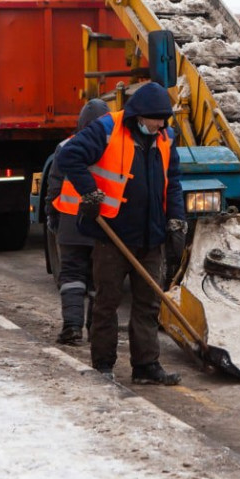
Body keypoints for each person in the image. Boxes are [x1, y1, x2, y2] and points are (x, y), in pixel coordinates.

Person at [54, 82, 186, 385]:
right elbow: (69, 156)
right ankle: (103, 364)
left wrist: (176, 219)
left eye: (164, 120)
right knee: (107, 301)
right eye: (157, 119)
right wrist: (89, 193)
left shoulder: (165, 138)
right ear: (140, 115)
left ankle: (146, 366)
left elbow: (173, 181)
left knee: (148, 304)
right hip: (113, 235)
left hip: (151, 237)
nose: (161, 125)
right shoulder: (107, 129)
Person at [47, 97, 110, 346]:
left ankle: (72, 327)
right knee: (98, 279)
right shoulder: (114, 147)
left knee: (72, 275)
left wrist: (51, 215)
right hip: (102, 224)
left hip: (71, 224)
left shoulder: (66, 146)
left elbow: (54, 187)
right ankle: (95, 326)